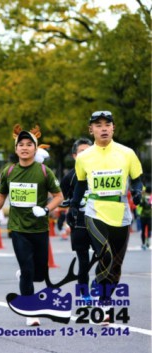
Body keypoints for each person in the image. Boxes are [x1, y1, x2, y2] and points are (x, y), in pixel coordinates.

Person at [0, 126, 63, 327]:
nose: (25, 148)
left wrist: (46, 210)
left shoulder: (45, 172)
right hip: (19, 229)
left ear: (35, 149)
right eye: (21, 144)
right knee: (28, 270)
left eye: (29, 144)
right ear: (16, 148)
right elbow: (1, 194)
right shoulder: (9, 171)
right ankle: (31, 311)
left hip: (40, 228)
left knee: (39, 272)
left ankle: (26, 274)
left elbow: (59, 196)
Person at [69, 111, 143, 316]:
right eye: (98, 125)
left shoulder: (127, 153)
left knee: (116, 265)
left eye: (107, 124)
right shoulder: (84, 157)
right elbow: (81, 185)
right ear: (90, 129)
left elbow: (137, 178)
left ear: (113, 128)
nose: (103, 128)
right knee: (105, 254)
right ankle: (103, 302)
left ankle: (105, 296)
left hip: (120, 212)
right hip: (95, 211)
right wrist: (74, 206)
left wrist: (137, 192)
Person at [61, 137, 93, 302]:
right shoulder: (70, 177)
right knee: (84, 261)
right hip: (79, 222)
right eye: (82, 151)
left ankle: (103, 292)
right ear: (75, 156)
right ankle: (84, 293)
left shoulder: (99, 172)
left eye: (89, 150)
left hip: (99, 220)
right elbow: (61, 197)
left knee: (105, 257)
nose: (86, 154)